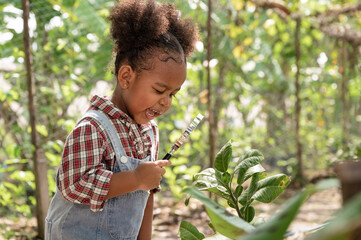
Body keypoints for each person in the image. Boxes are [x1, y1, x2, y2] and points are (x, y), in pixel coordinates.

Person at [45, 0, 198, 239]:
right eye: (159, 91)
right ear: (126, 76)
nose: (166, 102)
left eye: (173, 95)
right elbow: (73, 185)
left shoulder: (149, 131)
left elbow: (148, 195)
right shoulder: (92, 128)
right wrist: (136, 178)